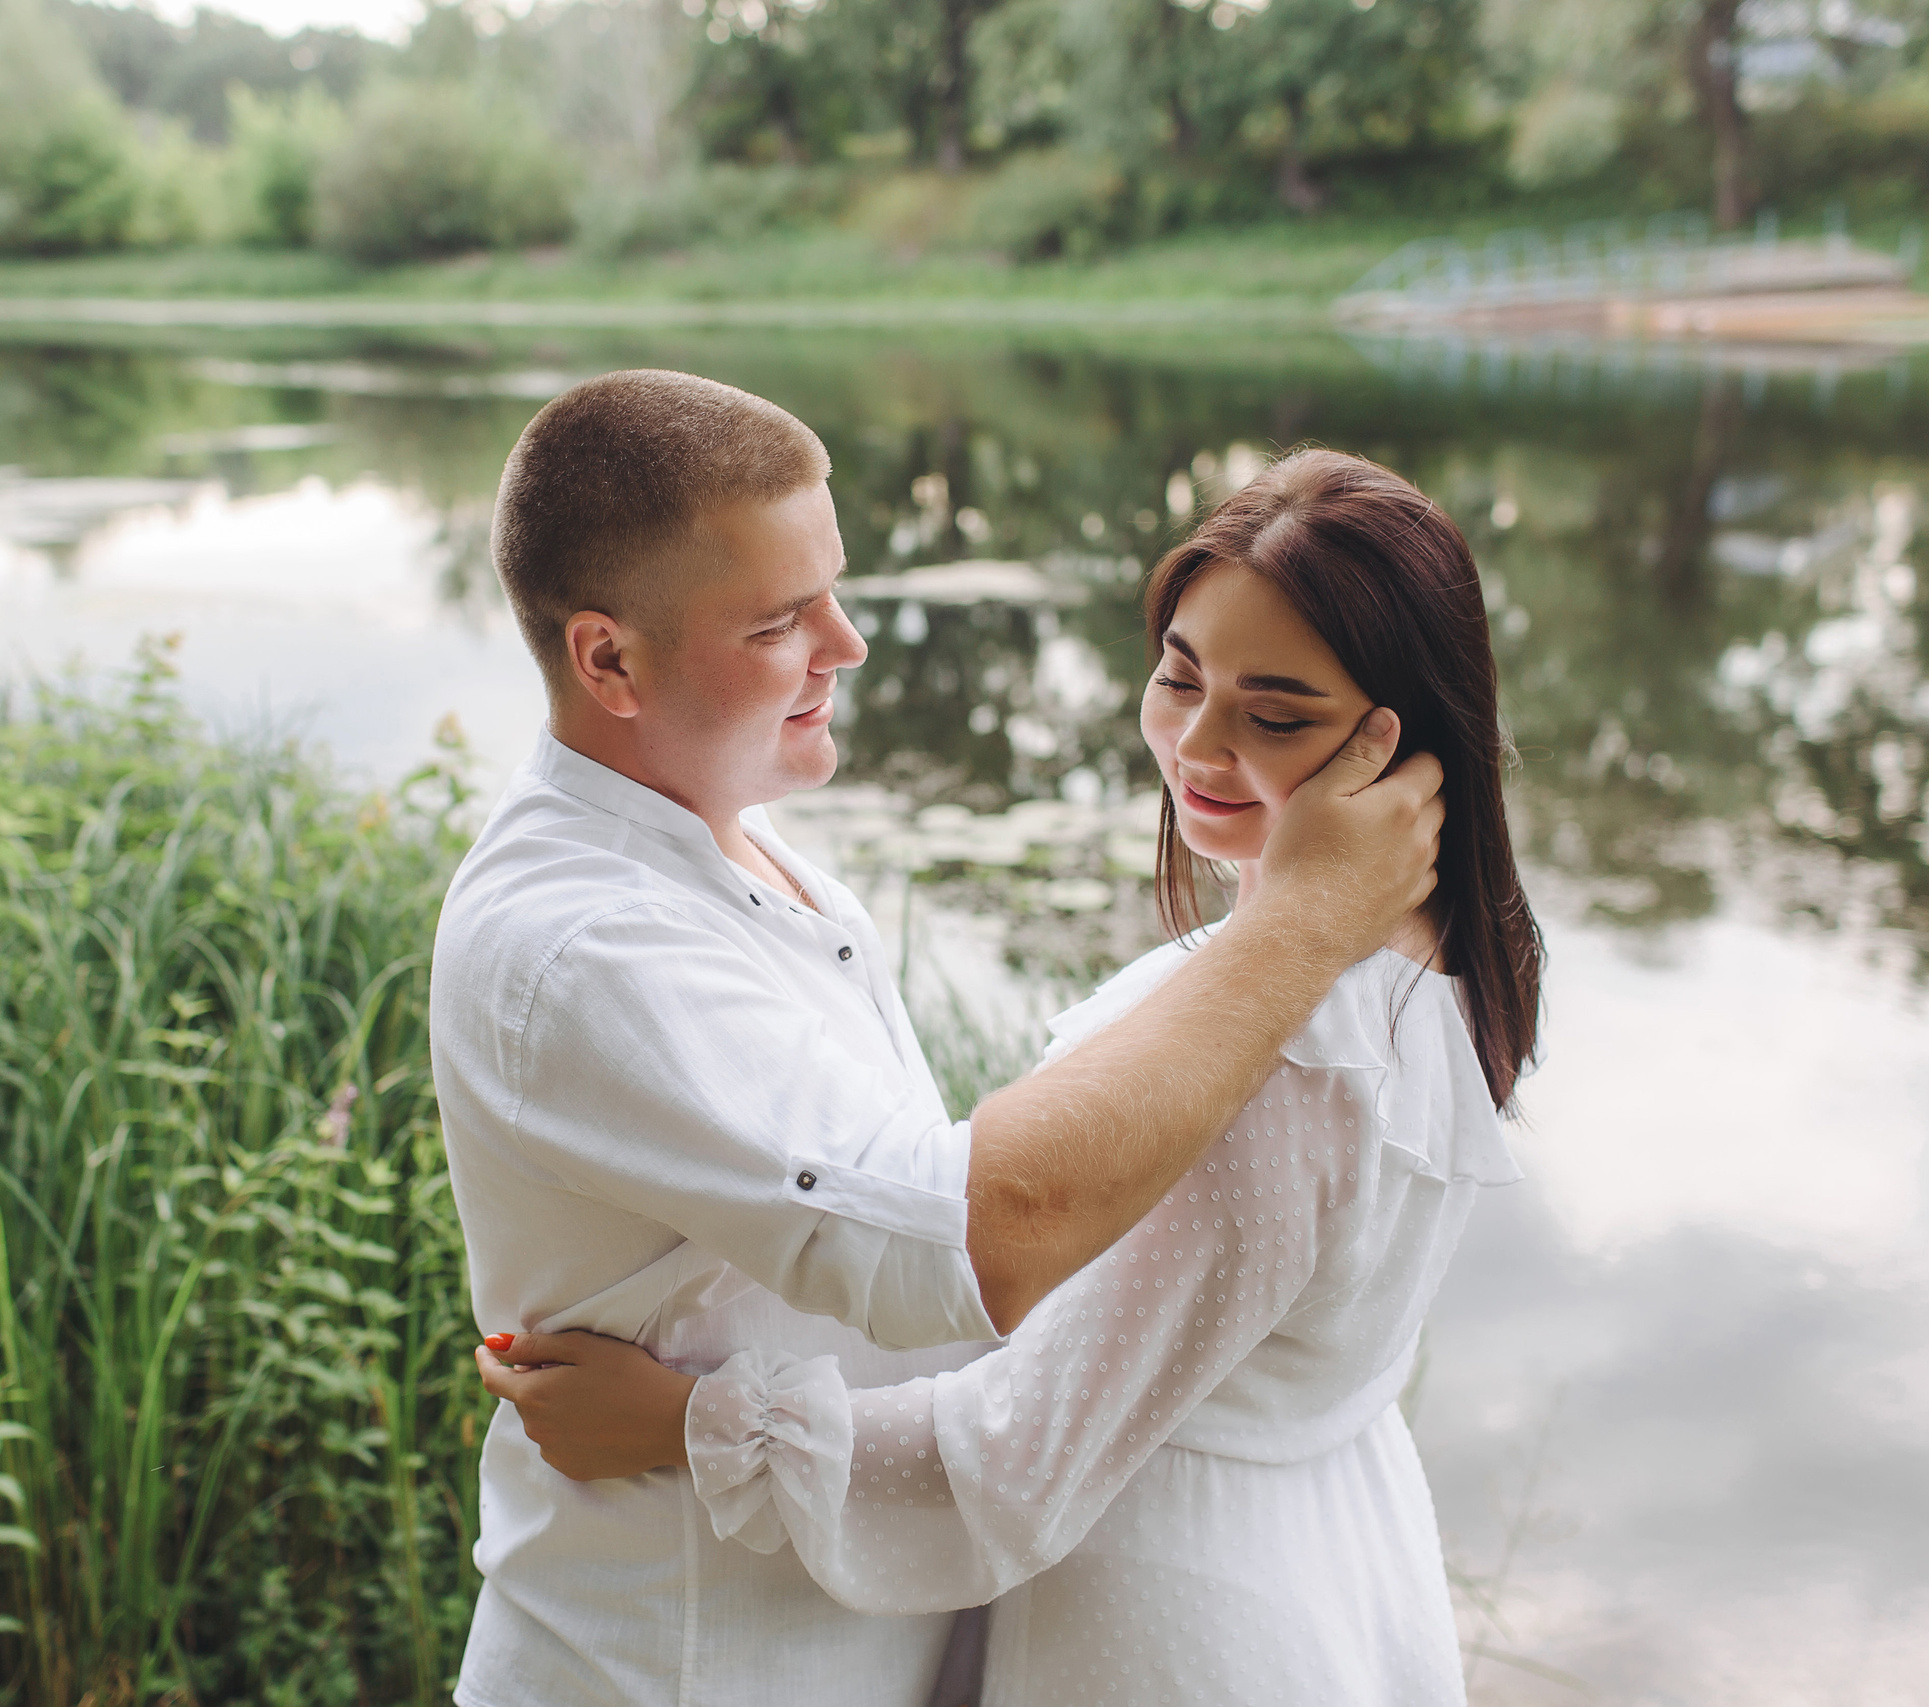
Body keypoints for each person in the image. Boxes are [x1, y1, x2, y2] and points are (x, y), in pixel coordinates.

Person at [433, 377, 1445, 1707]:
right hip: (681, 1669)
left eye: (833, 590)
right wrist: (1304, 921)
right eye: (784, 620)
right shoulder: (585, 950)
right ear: (607, 659)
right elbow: (959, 1244)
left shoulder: (744, 854)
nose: (847, 643)